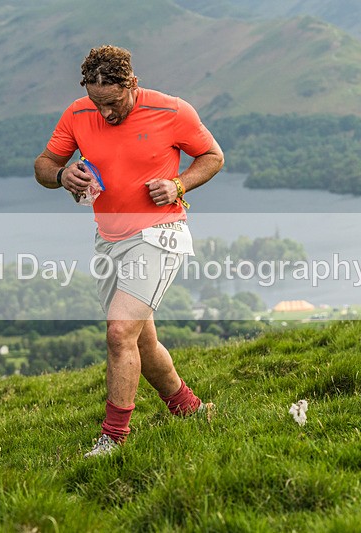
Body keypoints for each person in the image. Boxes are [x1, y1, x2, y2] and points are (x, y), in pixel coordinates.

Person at [34, 45, 224, 457]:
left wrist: (178, 185)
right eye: (96, 101)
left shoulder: (173, 111)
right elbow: (44, 165)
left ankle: (113, 439)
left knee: (119, 332)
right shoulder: (77, 113)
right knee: (140, 342)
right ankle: (190, 409)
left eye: (113, 102)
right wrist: (63, 174)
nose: (104, 113)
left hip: (161, 233)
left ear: (131, 84)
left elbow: (212, 156)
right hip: (109, 239)